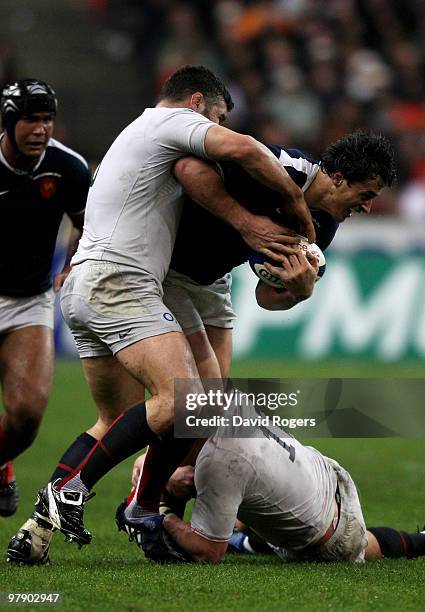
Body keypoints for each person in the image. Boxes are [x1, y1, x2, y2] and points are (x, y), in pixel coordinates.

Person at [6, 131, 396, 564]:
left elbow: (268, 296)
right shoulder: (277, 170)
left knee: (201, 407)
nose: (368, 206)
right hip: (162, 270)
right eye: (367, 194)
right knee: (182, 404)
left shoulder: (324, 223)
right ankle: (119, 501)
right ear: (339, 178)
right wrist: (245, 222)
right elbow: (189, 169)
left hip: (209, 284)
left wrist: (299, 293)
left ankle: (138, 502)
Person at [6, 64, 314, 552]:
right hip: (119, 282)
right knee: (184, 400)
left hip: (84, 288)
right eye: (216, 117)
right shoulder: (169, 123)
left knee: (118, 422)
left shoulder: (134, 138)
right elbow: (247, 149)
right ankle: (84, 494)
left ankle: (36, 530)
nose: (218, 129)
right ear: (196, 104)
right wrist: (295, 205)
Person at [129, 430, 425, 565]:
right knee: (245, 497)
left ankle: (420, 541)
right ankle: (241, 537)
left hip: (329, 534)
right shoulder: (228, 404)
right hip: (319, 473)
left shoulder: (219, 463)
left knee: (361, 545)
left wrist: (163, 515)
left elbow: (207, 553)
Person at [0, 79, 90, 517]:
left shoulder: (67, 168)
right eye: (30, 119)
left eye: (47, 119)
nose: (40, 129)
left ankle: (2, 463)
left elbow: (88, 223)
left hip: (28, 301)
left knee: (28, 416)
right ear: (8, 122)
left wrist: (73, 262)